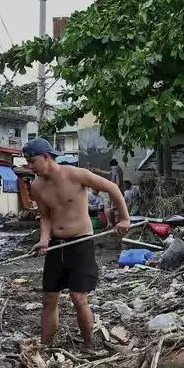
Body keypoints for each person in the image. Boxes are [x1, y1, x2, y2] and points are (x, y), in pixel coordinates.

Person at [25, 138, 130, 346]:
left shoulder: (75, 174)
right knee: (49, 298)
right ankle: (45, 346)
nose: (30, 166)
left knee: (78, 298)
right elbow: (45, 216)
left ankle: (88, 344)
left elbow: (113, 188)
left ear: (46, 157)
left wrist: (124, 218)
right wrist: (44, 240)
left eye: (32, 161)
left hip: (81, 242)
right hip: (56, 244)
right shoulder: (36, 186)